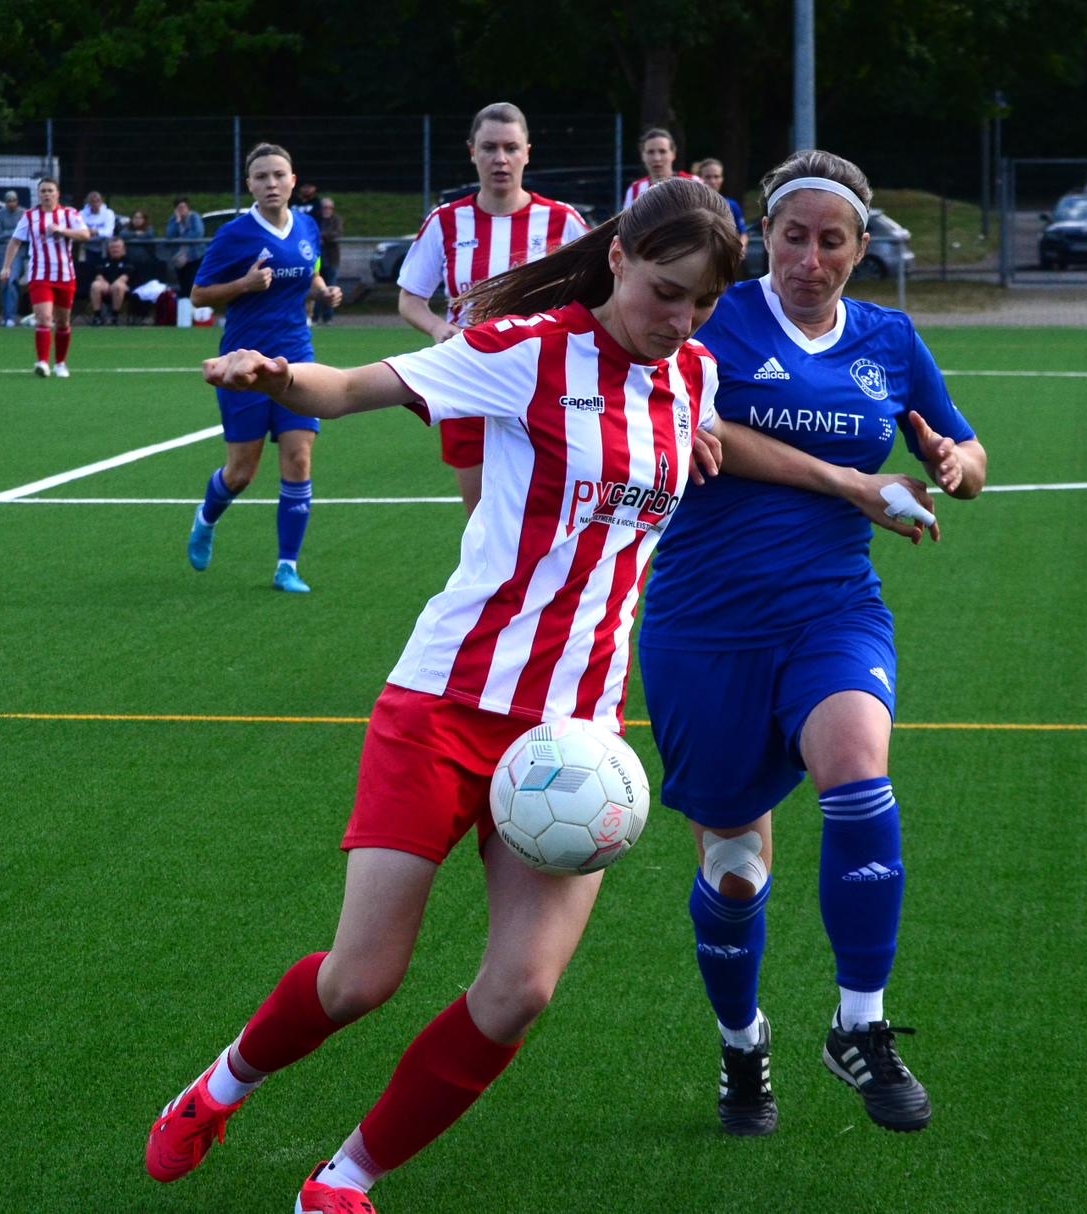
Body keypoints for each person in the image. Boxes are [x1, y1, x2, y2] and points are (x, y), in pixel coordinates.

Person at [146, 178, 746, 1213]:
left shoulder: (694, 374)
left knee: (521, 991)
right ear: (617, 260)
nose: (680, 319)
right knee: (361, 978)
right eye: (665, 292)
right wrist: (277, 374)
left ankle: (343, 1181)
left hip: (575, 736)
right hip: (448, 698)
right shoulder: (528, 350)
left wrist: (699, 437)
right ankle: (220, 1085)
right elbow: (350, 387)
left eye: (702, 302)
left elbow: (677, 430)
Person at [637, 150, 988, 1139]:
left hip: (833, 611)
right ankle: (741, 1044)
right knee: (735, 873)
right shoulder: (713, 318)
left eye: (832, 241)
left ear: (859, 248)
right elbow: (702, 426)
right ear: (764, 237)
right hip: (704, 624)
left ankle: (858, 1024)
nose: (810, 258)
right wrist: (848, 482)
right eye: (793, 236)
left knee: (859, 772)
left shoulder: (890, 338)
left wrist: (953, 461)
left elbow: (969, 453)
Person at [396, 101, 590, 514]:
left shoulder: (563, 221)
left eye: (510, 147)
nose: (500, 158)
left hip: (544, 382)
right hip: (469, 376)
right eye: (489, 148)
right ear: (472, 152)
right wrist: (437, 328)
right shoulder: (446, 221)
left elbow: (599, 296)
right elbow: (410, 299)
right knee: (481, 515)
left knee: (547, 510)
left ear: (527, 153)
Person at [183, 143, 344, 594]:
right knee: (241, 472)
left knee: (299, 457)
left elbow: (309, 271)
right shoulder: (235, 235)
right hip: (244, 365)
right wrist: (245, 284)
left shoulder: (307, 225)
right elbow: (198, 295)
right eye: (261, 177)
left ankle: (287, 566)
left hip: (295, 358)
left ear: (293, 181)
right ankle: (206, 518)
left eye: (278, 175)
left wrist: (322, 290)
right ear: (249, 185)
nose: (271, 183)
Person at [0, 178, 90, 377]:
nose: (46, 194)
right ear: (38, 195)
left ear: (58, 193)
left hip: (65, 275)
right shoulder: (30, 216)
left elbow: (85, 235)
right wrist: (6, 267)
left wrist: (62, 230)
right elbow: (15, 241)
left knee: (63, 322)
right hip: (40, 275)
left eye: (50, 190)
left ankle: (61, 364)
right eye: (43, 191)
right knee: (44, 319)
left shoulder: (70, 214)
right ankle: (42, 362)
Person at [622, 127, 698, 210]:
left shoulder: (693, 183)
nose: (657, 158)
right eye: (650, 152)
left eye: (662, 151)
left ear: (673, 154)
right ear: (643, 156)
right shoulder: (634, 190)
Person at [694, 158, 749, 257]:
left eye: (716, 176)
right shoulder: (693, 205)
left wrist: (740, 248)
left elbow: (743, 233)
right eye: (708, 177)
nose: (712, 181)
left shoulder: (731, 205)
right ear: (700, 178)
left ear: (722, 179)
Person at [0, 191, 26, 326]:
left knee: (12, 280)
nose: (11, 203)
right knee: (5, 283)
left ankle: (10, 317)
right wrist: (13, 233)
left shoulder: (23, 213)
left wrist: (10, 235)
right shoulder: (1, 214)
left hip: (18, 252)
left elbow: (24, 234)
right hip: (3, 252)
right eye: (8, 201)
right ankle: (6, 315)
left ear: (17, 201)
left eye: (13, 200)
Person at [88, 236, 137, 324]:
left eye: (117, 247)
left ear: (123, 249)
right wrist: (104, 283)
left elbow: (125, 277)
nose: (115, 250)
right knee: (95, 285)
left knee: (118, 286)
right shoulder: (103, 261)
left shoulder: (128, 261)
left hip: (124, 288)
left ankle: (114, 316)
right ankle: (97, 316)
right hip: (106, 287)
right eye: (112, 247)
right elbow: (98, 275)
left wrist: (113, 285)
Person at [165, 196, 207, 295]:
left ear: (188, 207)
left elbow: (198, 233)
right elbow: (169, 236)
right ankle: (185, 303)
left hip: (195, 257)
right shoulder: (173, 220)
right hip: (179, 258)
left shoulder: (194, 217)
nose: (182, 209)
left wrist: (181, 238)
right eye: (179, 208)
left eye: (183, 207)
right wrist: (177, 221)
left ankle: (194, 302)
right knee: (183, 284)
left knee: (192, 283)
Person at [314, 197, 343, 324]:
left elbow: (337, 234)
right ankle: (315, 316)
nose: (327, 210)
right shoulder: (316, 220)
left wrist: (322, 236)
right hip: (318, 259)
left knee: (331, 288)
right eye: (325, 207)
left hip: (331, 259)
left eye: (330, 208)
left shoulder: (336, 220)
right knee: (317, 287)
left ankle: (328, 317)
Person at [79, 189, 117, 259]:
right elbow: (79, 231)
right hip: (86, 245)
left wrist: (95, 231)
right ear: (89, 203)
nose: (95, 204)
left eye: (98, 201)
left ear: (101, 201)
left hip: (104, 245)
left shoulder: (109, 213)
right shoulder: (81, 214)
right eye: (93, 201)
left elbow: (109, 232)